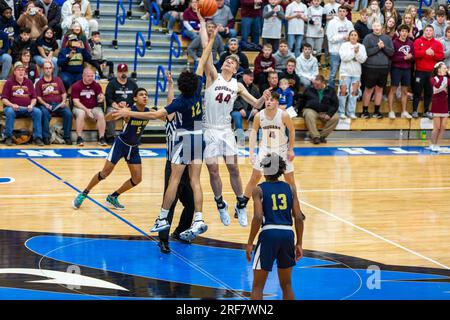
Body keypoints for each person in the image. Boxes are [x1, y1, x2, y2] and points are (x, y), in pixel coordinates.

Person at [112, 33, 218, 240]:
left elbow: (154, 114)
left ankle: (162, 218)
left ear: (181, 87)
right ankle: (198, 218)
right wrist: (212, 39)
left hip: (184, 139)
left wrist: (128, 113)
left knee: (175, 180)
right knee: (196, 181)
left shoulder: (179, 103)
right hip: (199, 136)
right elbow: (203, 58)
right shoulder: (198, 91)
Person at [197, 12, 271, 227]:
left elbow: (256, 104)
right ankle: (220, 204)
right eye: (227, 60)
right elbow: (206, 51)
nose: (229, 62)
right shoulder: (213, 76)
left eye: (232, 62)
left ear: (236, 69)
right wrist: (203, 24)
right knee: (212, 169)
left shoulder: (237, 86)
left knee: (233, 168)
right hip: (209, 129)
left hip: (226, 130)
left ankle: (240, 203)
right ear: (222, 65)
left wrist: (263, 98)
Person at [72, 87, 149, 211]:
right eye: (141, 94)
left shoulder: (148, 112)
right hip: (121, 144)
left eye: (146, 95)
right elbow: (107, 119)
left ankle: (113, 197)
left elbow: (163, 115)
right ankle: (83, 193)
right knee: (104, 173)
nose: (145, 96)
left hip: (134, 147)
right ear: (135, 98)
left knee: (137, 179)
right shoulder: (128, 112)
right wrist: (116, 111)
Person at [246, 153, 304, 300]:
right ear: (281, 170)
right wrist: (299, 243)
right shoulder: (290, 189)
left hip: (269, 234)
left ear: (265, 169)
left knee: (258, 287)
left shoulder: (258, 189)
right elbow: (298, 217)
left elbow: (258, 217)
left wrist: (250, 242)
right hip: (287, 234)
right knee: (287, 286)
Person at [158, 71, 195, 253]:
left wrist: (171, 84)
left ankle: (180, 231)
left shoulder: (188, 120)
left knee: (192, 203)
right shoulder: (171, 119)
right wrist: (171, 86)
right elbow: (170, 104)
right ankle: (163, 239)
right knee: (170, 203)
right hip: (172, 165)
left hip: (187, 165)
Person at [244, 91, 296, 211]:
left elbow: (292, 131)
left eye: (272, 100)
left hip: (282, 148)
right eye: (267, 99)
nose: (268, 102)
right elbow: (253, 132)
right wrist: (251, 152)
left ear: (277, 102)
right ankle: (241, 205)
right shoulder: (259, 116)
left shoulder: (284, 115)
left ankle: (295, 207)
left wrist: (291, 149)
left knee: (290, 179)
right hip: (265, 149)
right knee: (255, 177)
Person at [2, 61, 43, 146]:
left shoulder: (29, 82)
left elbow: (34, 98)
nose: (21, 72)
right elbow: (4, 99)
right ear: (14, 72)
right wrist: (12, 105)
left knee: (38, 112)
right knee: (9, 112)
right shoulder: (9, 82)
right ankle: (8, 137)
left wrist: (31, 105)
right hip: (12, 108)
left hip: (26, 108)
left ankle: (37, 138)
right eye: (19, 70)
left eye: (22, 70)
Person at [361, 21, 394, 119]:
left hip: (383, 68)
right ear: (372, 27)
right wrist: (378, 47)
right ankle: (365, 111)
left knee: (379, 89)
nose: (376, 27)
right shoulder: (368, 38)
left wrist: (383, 47)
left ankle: (376, 111)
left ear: (381, 27)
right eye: (374, 26)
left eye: (378, 25)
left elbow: (391, 52)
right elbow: (365, 52)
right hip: (370, 67)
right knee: (368, 89)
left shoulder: (387, 38)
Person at [36, 60, 72, 145]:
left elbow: (64, 93)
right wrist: (45, 104)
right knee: (44, 113)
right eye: (46, 68)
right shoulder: (39, 83)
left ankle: (67, 137)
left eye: (50, 68)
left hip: (58, 104)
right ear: (43, 70)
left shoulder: (58, 80)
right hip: (45, 105)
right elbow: (38, 97)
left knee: (68, 113)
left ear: (52, 69)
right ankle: (46, 137)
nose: (48, 70)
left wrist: (63, 102)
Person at [412, 25, 444, 119]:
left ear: (433, 32)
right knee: (417, 91)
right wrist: (425, 52)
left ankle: (426, 111)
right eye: (427, 30)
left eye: (430, 30)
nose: (429, 32)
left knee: (429, 92)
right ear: (424, 31)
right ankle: (414, 111)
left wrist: (433, 54)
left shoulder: (437, 43)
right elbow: (414, 54)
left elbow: (441, 56)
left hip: (431, 72)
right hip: (420, 71)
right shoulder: (418, 41)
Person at [71, 67, 106, 146]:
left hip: (93, 107)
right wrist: (86, 110)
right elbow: (76, 102)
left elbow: (100, 95)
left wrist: (101, 97)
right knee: (81, 114)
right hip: (79, 108)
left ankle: (101, 138)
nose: (91, 78)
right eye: (88, 76)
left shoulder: (96, 85)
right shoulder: (76, 86)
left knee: (100, 114)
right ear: (83, 76)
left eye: (92, 76)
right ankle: (79, 138)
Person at [104, 63, 138, 144]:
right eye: (121, 72)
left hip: (129, 107)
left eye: (125, 71)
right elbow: (108, 99)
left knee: (137, 113)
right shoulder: (112, 83)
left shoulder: (132, 83)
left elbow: (137, 97)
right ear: (117, 73)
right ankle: (110, 136)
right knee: (111, 112)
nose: (123, 73)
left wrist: (128, 107)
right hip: (115, 107)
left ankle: (133, 137)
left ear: (127, 72)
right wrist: (118, 106)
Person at [300, 75, 339, 144]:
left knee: (336, 117)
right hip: (311, 110)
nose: (315, 86)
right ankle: (315, 137)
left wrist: (329, 114)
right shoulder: (309, 89)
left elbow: (335, 104)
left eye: (317, 84)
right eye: (314, 84)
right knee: (309, 114)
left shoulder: (331, 90)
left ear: (323, 83)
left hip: (325, 111)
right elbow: (302, 101)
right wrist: (298, 111)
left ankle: (322, 136)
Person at [338, 30, 367, 119]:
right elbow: (344, 57)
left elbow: (363, 59)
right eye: (352, 35)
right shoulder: (344, 45)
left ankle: (351, 112)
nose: (353, 37)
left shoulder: (361, 47)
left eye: (355, 35)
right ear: (349, 36)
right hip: (345, 73)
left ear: (357, 37)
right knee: (343, 93)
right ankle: (341, 112)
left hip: (356, 74)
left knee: (354, 93)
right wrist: (354, 53)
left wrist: (357, 53)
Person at [388, 24, 414, 119]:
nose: (404, 33)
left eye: (406, 31)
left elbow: (413, 56)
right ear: (399, 32)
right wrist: (404, 57)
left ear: (408, 33)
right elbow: (392, 57)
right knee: (393, 90)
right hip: (396, 69)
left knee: (405, 91)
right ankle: (391, 111)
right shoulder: (394, 42)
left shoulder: (411, 43)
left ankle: (404, 111)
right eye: (402, 31)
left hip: (407, 69)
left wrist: (410, 57)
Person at [326, 5, 354, 88]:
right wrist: (342, 37)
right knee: (333, 73)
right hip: (335, 51)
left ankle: (343, 90)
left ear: (346, 13)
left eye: (343, 11)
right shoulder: (332, 22)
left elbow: (352, 35)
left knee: (344, 73)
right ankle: (330, 90)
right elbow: (330, 38)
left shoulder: (349, 23)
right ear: (337, 12)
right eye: (340, 11)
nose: (342, 13)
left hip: (346, 52)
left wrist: (349, 37)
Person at [231, 68, 261, 137]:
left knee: (260, 116)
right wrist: (240, 108)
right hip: (236, 110)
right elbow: (232, 99)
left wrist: (256, 109)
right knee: (237, 115)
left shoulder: (254, 87)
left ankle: (260, 139)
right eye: (250, 75)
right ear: (244, 76)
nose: (252, 77)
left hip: (249, 112)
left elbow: (258, 100)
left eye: (252, 76)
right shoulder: (236, 85)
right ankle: (240, 138)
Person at [429, 62, 449, 152]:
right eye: (444, 68)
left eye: (446, 68)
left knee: (443, 126)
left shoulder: (446, 79)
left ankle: (438, 144)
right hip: (436, 104)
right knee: (437, 127)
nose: (446, 70)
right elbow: (436, 87)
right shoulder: (433, 79)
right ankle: (432, 144)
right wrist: (441, 78)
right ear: (439, 69)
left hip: (444, 104)